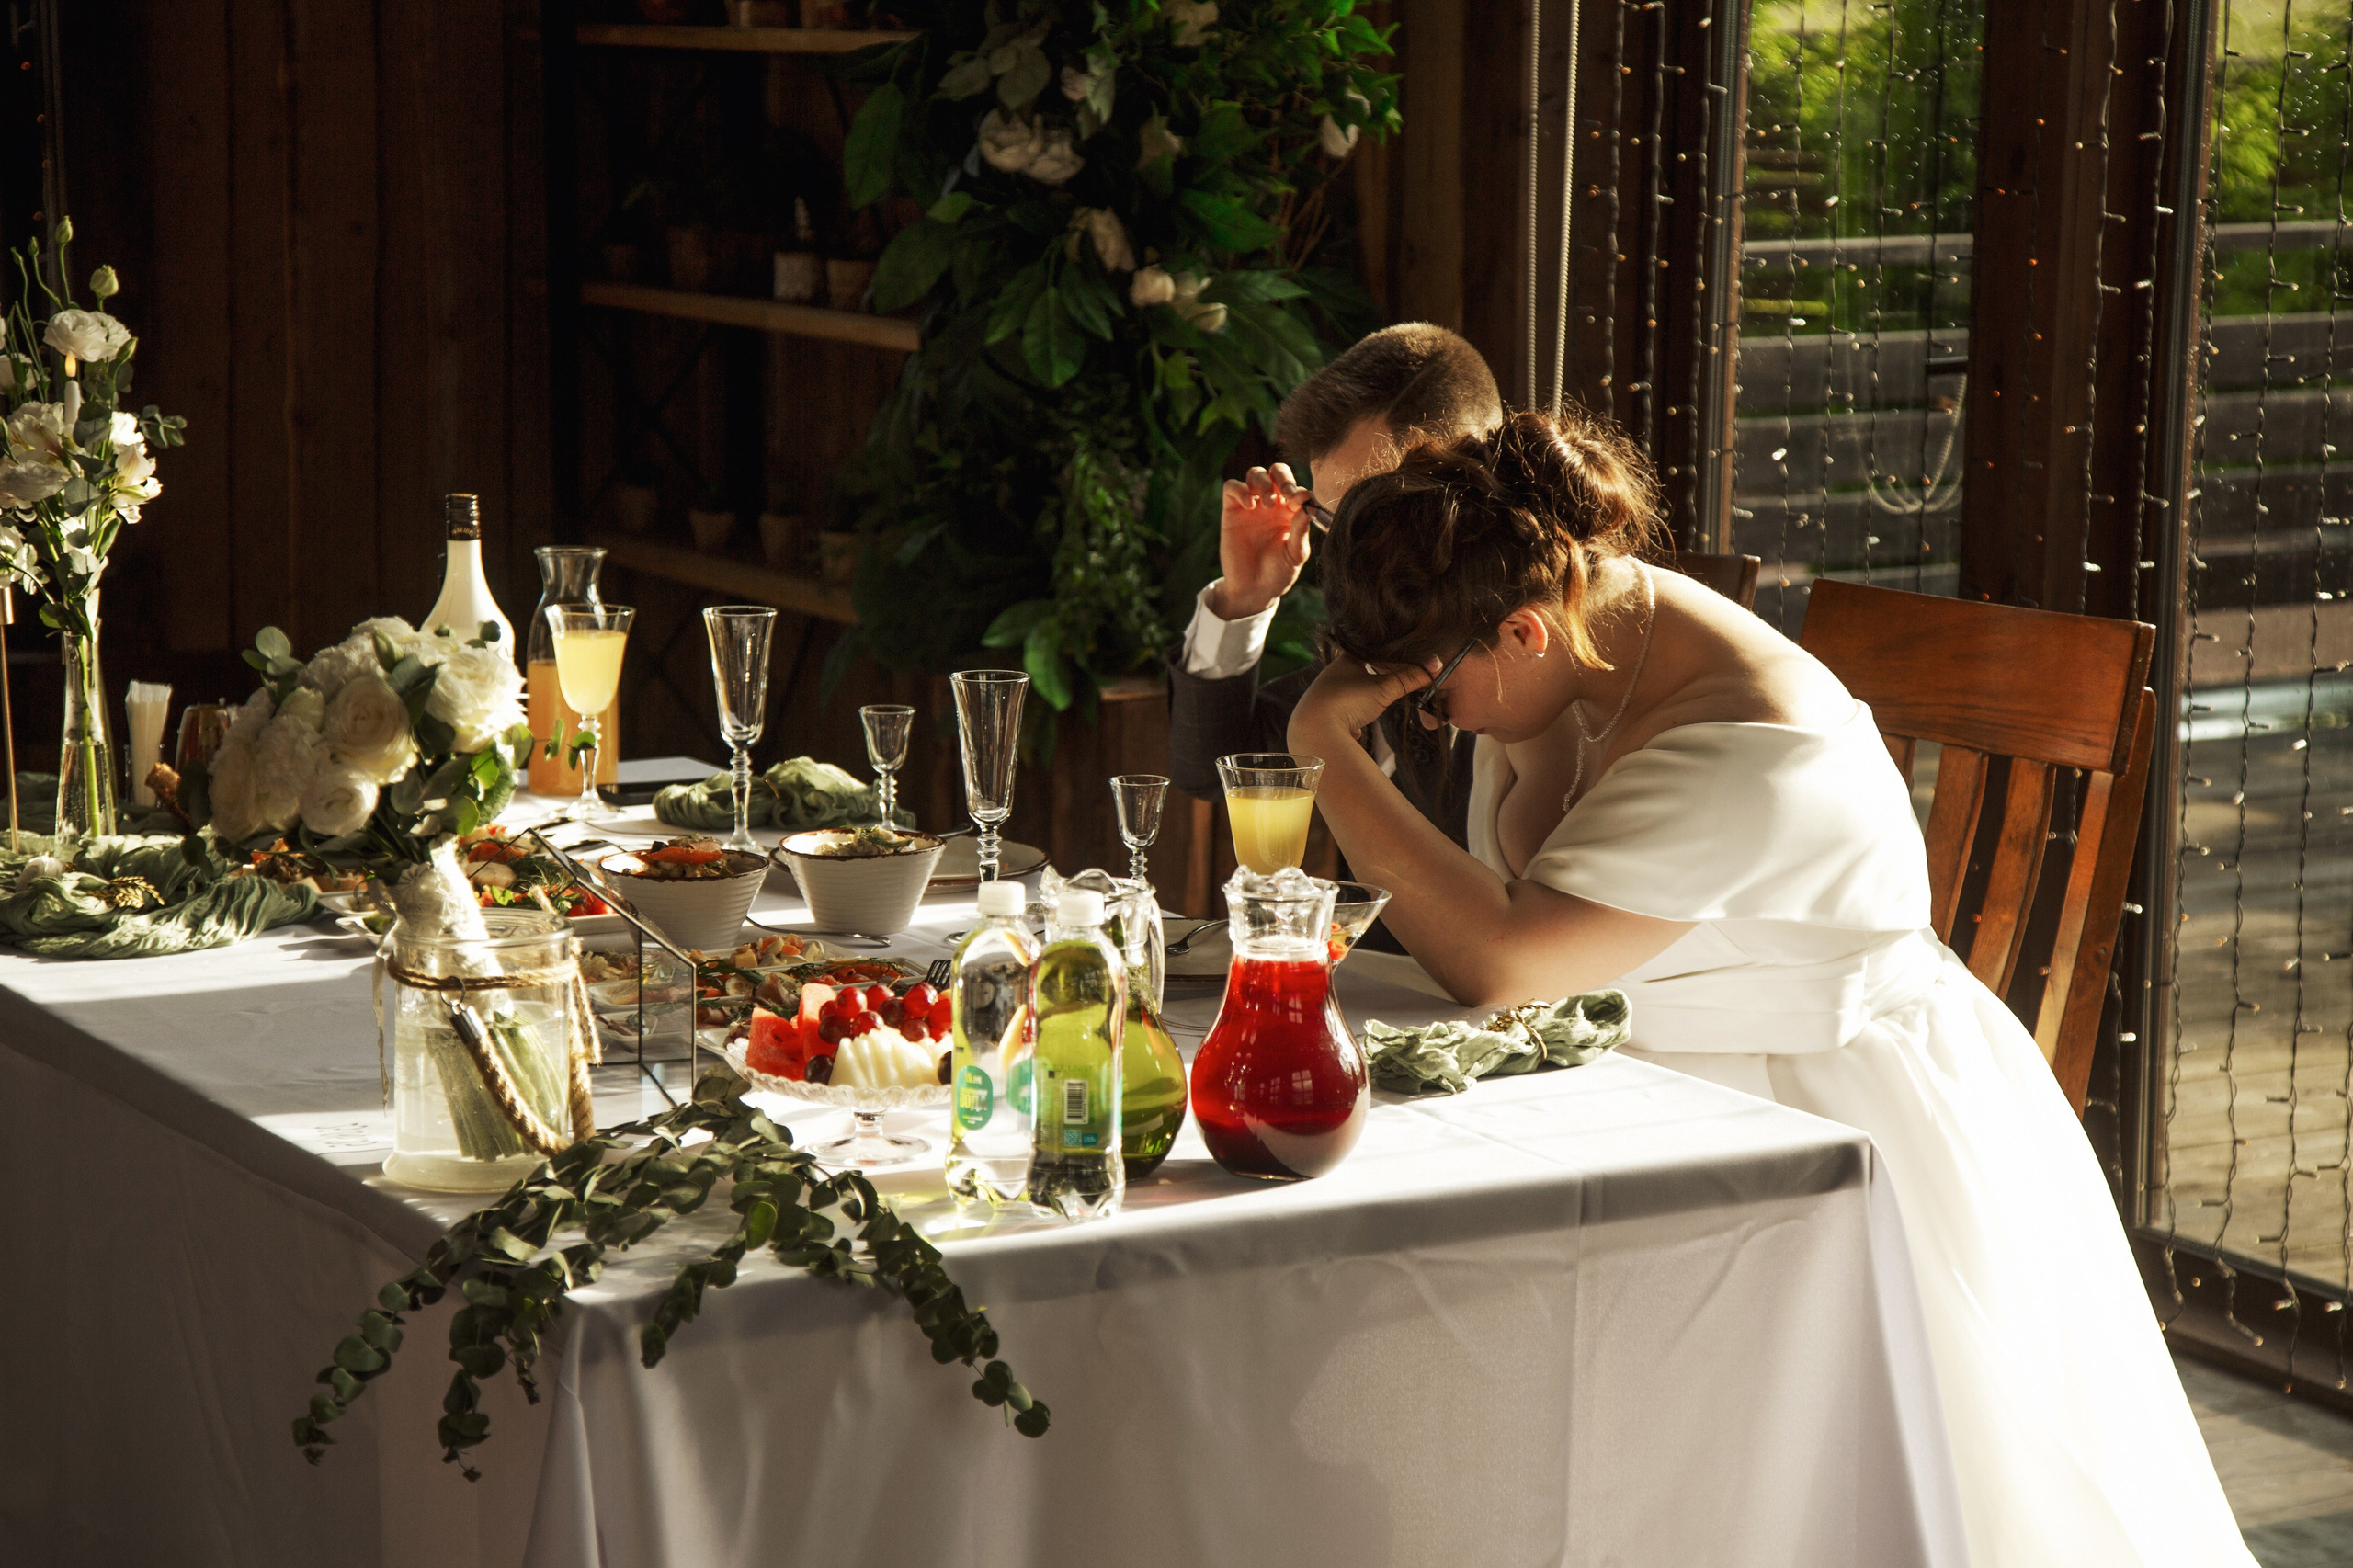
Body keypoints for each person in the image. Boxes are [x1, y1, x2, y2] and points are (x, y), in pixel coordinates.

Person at [1292, 406, 2256, 1568]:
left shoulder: (1747, 738)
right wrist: (1531, 755)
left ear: (1523, 632)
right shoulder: (1580, 624)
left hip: (1825, 1145)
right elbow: (1537, 882)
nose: (1425, 716)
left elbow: (1504, 959)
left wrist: (1320, 745)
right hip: (1653, 1105)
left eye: (1429, 697)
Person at [1165, 322, 1505, 847]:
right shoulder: (1375, 645)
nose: (1345, 553)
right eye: (1330, 518)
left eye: (1369, 514)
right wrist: (1244, 599)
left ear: (1464, 483)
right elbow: (1216, 773)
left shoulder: (1537, 651)